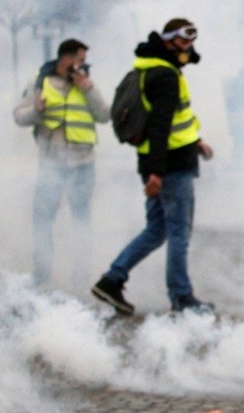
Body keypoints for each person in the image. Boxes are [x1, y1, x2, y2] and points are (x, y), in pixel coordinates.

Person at [91, 18, 215, 316]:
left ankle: (112, 280)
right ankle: (182, 297)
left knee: (157, 230)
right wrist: (158, 173)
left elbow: (172, 121)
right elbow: (159, 127)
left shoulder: (152, 67)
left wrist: (195, 141)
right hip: (171, 166)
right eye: (183, 42)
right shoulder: (165, 76)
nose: (188, 48)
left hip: (158, 161)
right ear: (169, 41)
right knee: (178, 233)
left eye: (191, 42)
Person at [12, 38, 111, 289]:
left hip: (82, 164)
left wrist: (88, 89)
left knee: (82, 222)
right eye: (80, 60)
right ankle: (41, 276)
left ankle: (81, 278)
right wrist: (36, 109)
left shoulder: (87, 84)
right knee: (43, 220)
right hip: (51, 165)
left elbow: (104, 115)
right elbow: (19, 117)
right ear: (65, 59)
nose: (83, 66)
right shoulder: (40, 82)